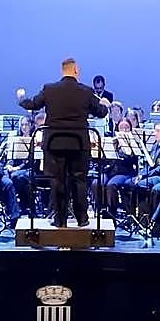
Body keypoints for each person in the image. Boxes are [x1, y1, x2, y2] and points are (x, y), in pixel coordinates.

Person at [17, 57, 110, 227]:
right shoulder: (86, 91)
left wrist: (21, 98)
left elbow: (33, 104)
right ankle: (82, 218)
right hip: (79, 144)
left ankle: (60, 220)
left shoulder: (49, 89)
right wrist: (105, 104)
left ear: (62, 71)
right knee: (79, 180)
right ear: (76, 71)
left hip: (54, 143)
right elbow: (101, 113)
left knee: (57, 181)